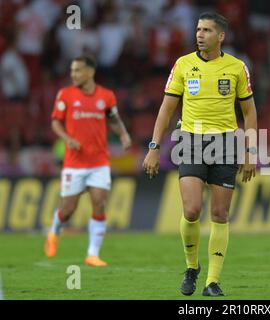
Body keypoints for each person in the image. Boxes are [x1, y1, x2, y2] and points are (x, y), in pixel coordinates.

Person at [142, 12, 258, 297]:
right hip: (191, 141)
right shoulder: (183, 65)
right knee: (192, 210)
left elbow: (249, 112)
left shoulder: (237, 68)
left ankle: (212, 282)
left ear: (221, 36)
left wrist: (251, 151)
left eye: (206, 30)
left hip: (225, 144)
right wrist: (154, 148)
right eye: (198, 29)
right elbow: (166, 110)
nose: (199, 34)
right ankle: (192, 267)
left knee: (220, 214)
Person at [44, 55, 131, 267]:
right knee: (68, 209)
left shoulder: (106, 96)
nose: (73, 74)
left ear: (90, 72)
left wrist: (123, 134)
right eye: (72, 70)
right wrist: (67, 139)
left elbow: (113, 119)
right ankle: (54, 230)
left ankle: (92, 254)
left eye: (78, 70)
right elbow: (56, 123)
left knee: (99, 202)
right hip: (74, 163)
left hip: (99, 161)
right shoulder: (65, 95)